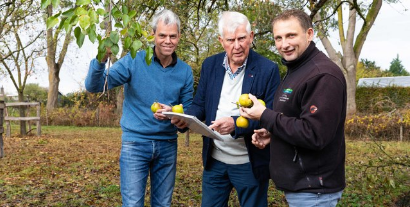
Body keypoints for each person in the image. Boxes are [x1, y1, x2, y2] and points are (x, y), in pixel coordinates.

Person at [85, 9, 194, 207]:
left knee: (163, 204)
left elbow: (188, 112)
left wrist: (175, 114)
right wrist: (102, 58)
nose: (167, 41)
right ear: (153, 35)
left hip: (168, 145)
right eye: (162, 35)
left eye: (172, 36)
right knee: (133, 204)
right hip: (135, 144)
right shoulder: (134, 60)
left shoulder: (185, 71)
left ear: (179, 37)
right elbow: (94, 86)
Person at [171, 11, 280, 207]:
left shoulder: (268, 69)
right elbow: (200, 105)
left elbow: (271, 115)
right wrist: (185, 119)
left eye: (241, 38)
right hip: (215, 162)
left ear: (251, 37)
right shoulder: (210, 65)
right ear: (222, 41)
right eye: (231, 40)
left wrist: (235, 124)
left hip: (249, 163)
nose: (237, 46)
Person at [240, 9, 346, 207]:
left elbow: (314, 134)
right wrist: (274, 134)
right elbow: (295, 120)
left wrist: (264, 115)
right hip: (301, 188)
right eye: (278, 38)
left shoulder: (323, 75)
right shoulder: (297, 70)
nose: (284, 44)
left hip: (315, 191)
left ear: (309, 34)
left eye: (291, 35)